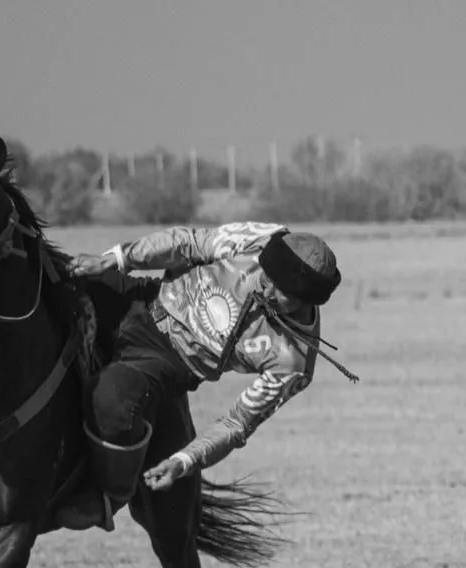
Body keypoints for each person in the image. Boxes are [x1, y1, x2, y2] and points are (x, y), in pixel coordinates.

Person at [51, 221, 352, 531]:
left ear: (308, 300)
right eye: (267, 277)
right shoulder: (264, 238)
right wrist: (114, 260)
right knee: (51, 277)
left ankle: (107, 496)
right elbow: (190, 243)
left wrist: (184, 461)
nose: (267, 290)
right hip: (144, 297)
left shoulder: (292, 361)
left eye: (283, 292)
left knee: (111, 398)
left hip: (169, 358)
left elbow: (236, 425)